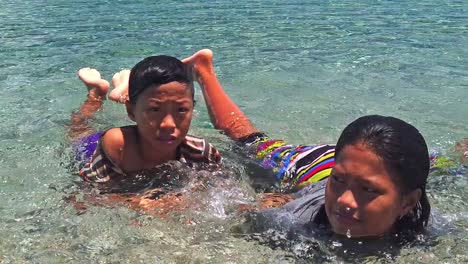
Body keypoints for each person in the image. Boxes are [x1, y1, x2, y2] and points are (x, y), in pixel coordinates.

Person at [70, 55, 222, 193]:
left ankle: (123, 88)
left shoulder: (200, 152)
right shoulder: (118, 148)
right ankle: (95, 94)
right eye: (155, 110)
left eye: (181, 110)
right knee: (78, 128)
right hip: (92, 149)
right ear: (131, 111)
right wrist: (134, 202)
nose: (168, 124)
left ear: (192, 109)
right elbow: (83, 195)